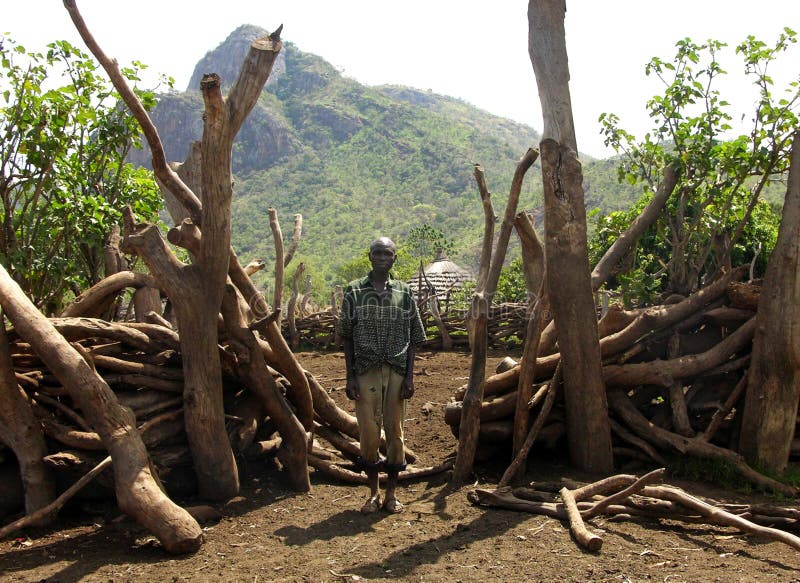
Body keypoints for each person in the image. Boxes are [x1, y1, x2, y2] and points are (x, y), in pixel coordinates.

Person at [338, 237, 426, 514]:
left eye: (387, 253)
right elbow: (347, 337)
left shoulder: (404, 292)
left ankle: (391, 495)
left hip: (397, 370)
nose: (381, 257)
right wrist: (350, 376)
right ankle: (373, 493)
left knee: (396, 431)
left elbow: (414, 336)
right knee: (368, 432)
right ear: (369, 256)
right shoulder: (354, 291)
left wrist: (410, 377)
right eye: (377, 253)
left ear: (394, 259)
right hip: (365, 370)